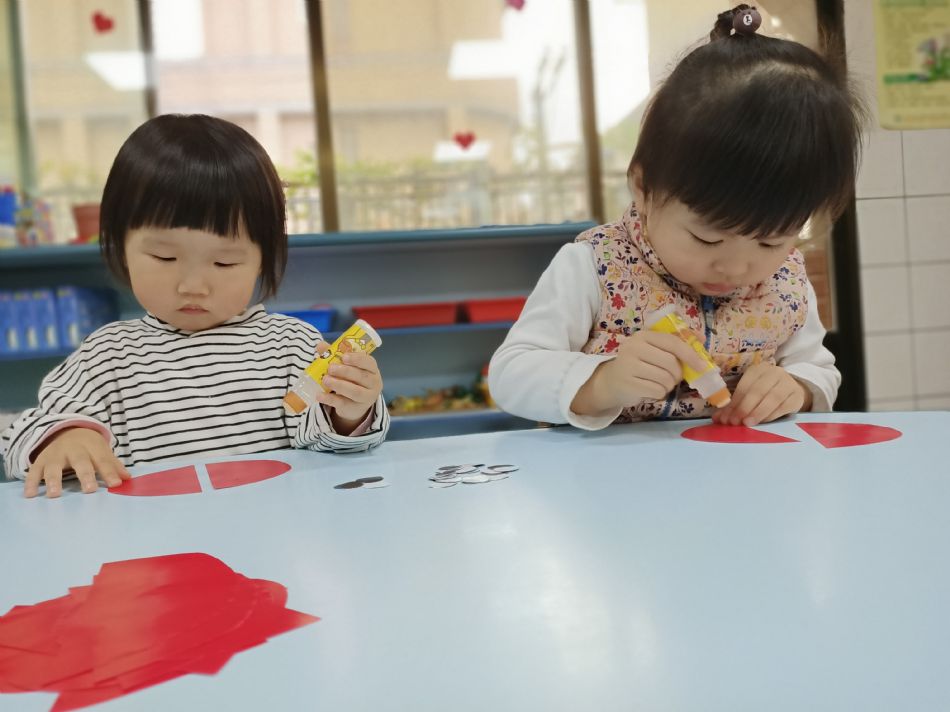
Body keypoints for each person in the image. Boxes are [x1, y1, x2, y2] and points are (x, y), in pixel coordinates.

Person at [489, 5, 863, 431]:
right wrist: (601, 382)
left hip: (739, 466)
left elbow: (819, 369)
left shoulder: (786, 282)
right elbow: (511, 374)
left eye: (770, 242)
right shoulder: (594, 267)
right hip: (607, 469)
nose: (736, 268)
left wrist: (797, 386)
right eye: (707, 239)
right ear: (643, 188)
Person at [2, 114, 388, 497]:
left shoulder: (291, 346)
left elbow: (330, 446)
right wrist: (66, 437)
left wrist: (350, 410)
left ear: (262, 260)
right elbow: (20, 434)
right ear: (121, 247)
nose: (193, 286)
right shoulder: (107, 356)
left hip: (272, 526)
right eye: (164, 257)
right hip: (156, 532)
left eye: (224, 262)